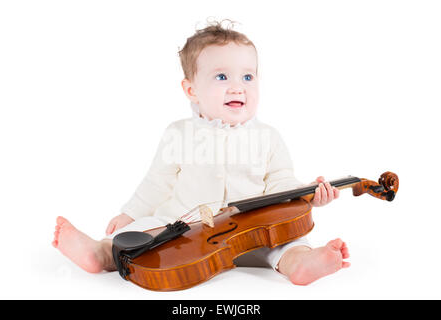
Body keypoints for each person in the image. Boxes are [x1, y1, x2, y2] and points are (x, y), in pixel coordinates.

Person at [53, 19, 350, 286]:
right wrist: (131, 213)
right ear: (191, 89)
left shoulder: (268, 138)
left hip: (251, 234)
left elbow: (280, 182)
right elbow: (158, 182)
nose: (237, 88)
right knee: (143, 233)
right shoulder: (178, 133)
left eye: (248, 77)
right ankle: (101, 252)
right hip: (182, 228)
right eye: (222, 77)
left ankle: (302, 264)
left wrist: (306, 194)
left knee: (289, 242)